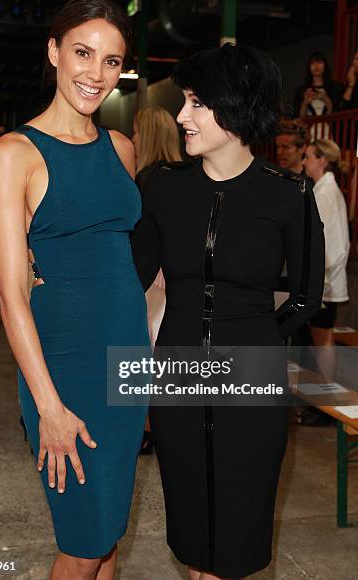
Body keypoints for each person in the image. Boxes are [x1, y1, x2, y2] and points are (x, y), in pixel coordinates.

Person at [132, 43, 324, 580]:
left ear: (236, 109)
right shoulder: (163, 188)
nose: (182, 116)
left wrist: (255, 340)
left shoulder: (289, 195)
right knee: (193, 536)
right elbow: (131, 280)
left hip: (253, 387)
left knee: (238, 534)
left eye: (196, 103)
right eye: (184, 102)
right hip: (177, 379)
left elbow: (308, 296)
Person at [0, 0, 150, 580]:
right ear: (54, 51)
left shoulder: (123, 149)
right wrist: (49, 407)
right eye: (83, 53)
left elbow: (125, 265)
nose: (96, 73)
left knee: (105, 538)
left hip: (126, 367)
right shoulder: (13, 154)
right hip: (63, 372)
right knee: (82, 544)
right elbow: (11, 294)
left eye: (112, 61)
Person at [132, 106, 183, 454]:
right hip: (175, 283)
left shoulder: (148, 179)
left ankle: (147, 429)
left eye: (136, 131)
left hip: (154, 283)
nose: (132, 138)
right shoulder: (188, 173)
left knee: (146, 358)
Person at [304, 139, 350, 378]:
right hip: (323, 280)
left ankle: (325, 396)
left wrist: (312, 277)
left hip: (324, 282)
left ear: (321, 160)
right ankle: (321, 396)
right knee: (321, 340)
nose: (304, 162)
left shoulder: (326, 193)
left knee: (322, 341)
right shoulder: (323, 190)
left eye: (308, 157)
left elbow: (329, 245)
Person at [293, 51, 344, 120]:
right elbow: (298, 118)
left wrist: (325, 99)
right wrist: (305, 103)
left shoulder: (336, 87)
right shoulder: (301, 90)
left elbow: (339, 113)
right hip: (309, 130)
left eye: (319, 62)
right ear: (309, 67)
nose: (316, 66)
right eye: (312, 63)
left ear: (325, 65)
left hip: (330, 129)